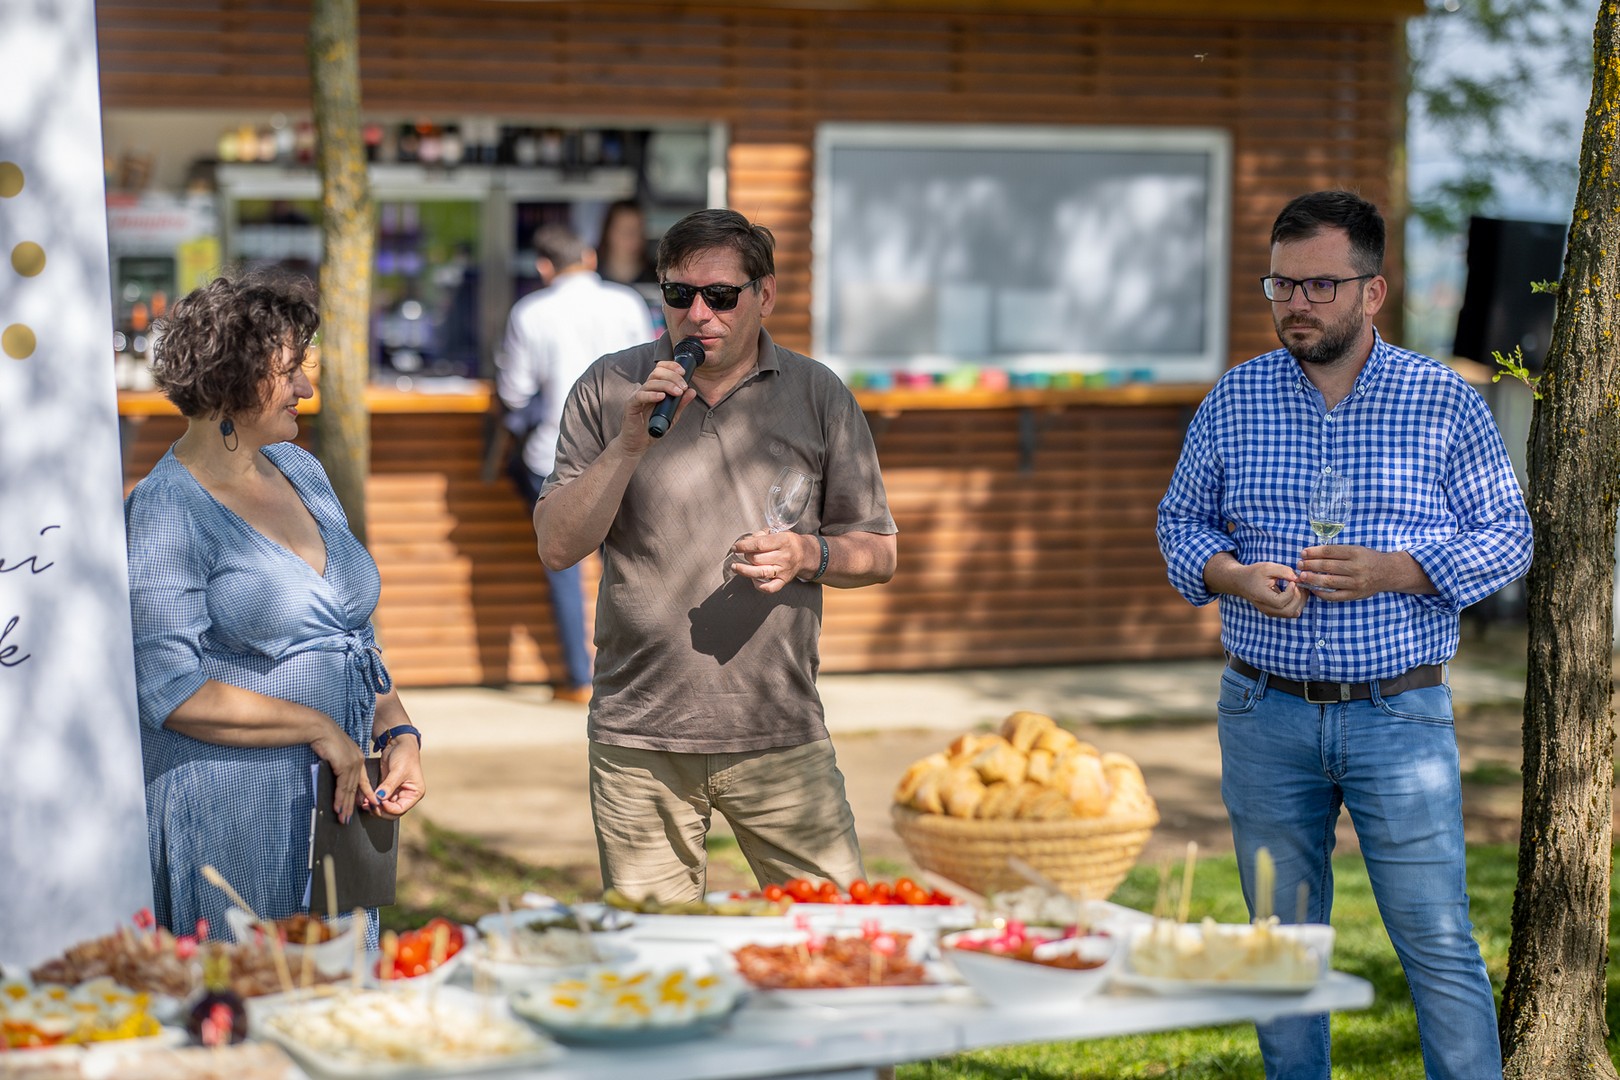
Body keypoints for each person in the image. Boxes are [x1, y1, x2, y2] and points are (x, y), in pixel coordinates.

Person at [1157, 190, 1531, 1080]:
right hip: (1264, 712)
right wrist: (1234, 577)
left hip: (1398, 715)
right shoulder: (1235, 398)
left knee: (1436, 939)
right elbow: (1180, 523)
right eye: (1281, 284)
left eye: (1320, 285)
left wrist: (1398, 569)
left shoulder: (1443, 402)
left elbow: (1507, 536)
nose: (1297, 303)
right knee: (1281, 947)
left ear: (1373, 291)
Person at [533, 208, 897, 902]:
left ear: (765, 295)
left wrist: (807, 553)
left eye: (721, 296)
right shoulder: (610, 387)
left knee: (836, 933)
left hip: (779, 730)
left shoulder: (818, 393)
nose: (698, 314)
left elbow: (878, 552)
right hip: (640, 739)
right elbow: (557, 546)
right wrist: (629, 444)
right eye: (679, 294)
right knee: (657, 953)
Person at [125, 268, 425, 945]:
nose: (306, 389)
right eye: (289, 372)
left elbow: (352, 633)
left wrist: (396, 731)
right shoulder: (167, 510)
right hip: (231, 809)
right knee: (249, 993)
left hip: (334, 795)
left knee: (340, 989)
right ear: (230, 381)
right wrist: (317, 726)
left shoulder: (301, 470)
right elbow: (167, 689)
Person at [497, 223, 653, 703]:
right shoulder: (627, 302)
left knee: (563, 562)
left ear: (544, 266)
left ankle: (580, 680)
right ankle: (639, 676)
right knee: (630, 565)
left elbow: (514, 390)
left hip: (556, 454)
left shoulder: (530, 312)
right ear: (589, 257)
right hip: (628, 449)